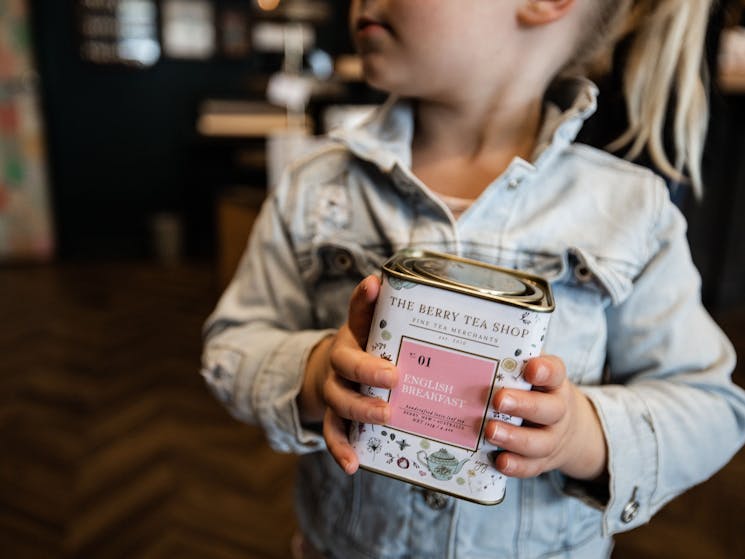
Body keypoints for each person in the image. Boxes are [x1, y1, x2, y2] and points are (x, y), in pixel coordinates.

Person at [201, 1, 745, 557]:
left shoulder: (631, 211)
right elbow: (232, 345)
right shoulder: (314, 190)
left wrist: (585, 433)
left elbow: (711, 406)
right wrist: (315, 374)